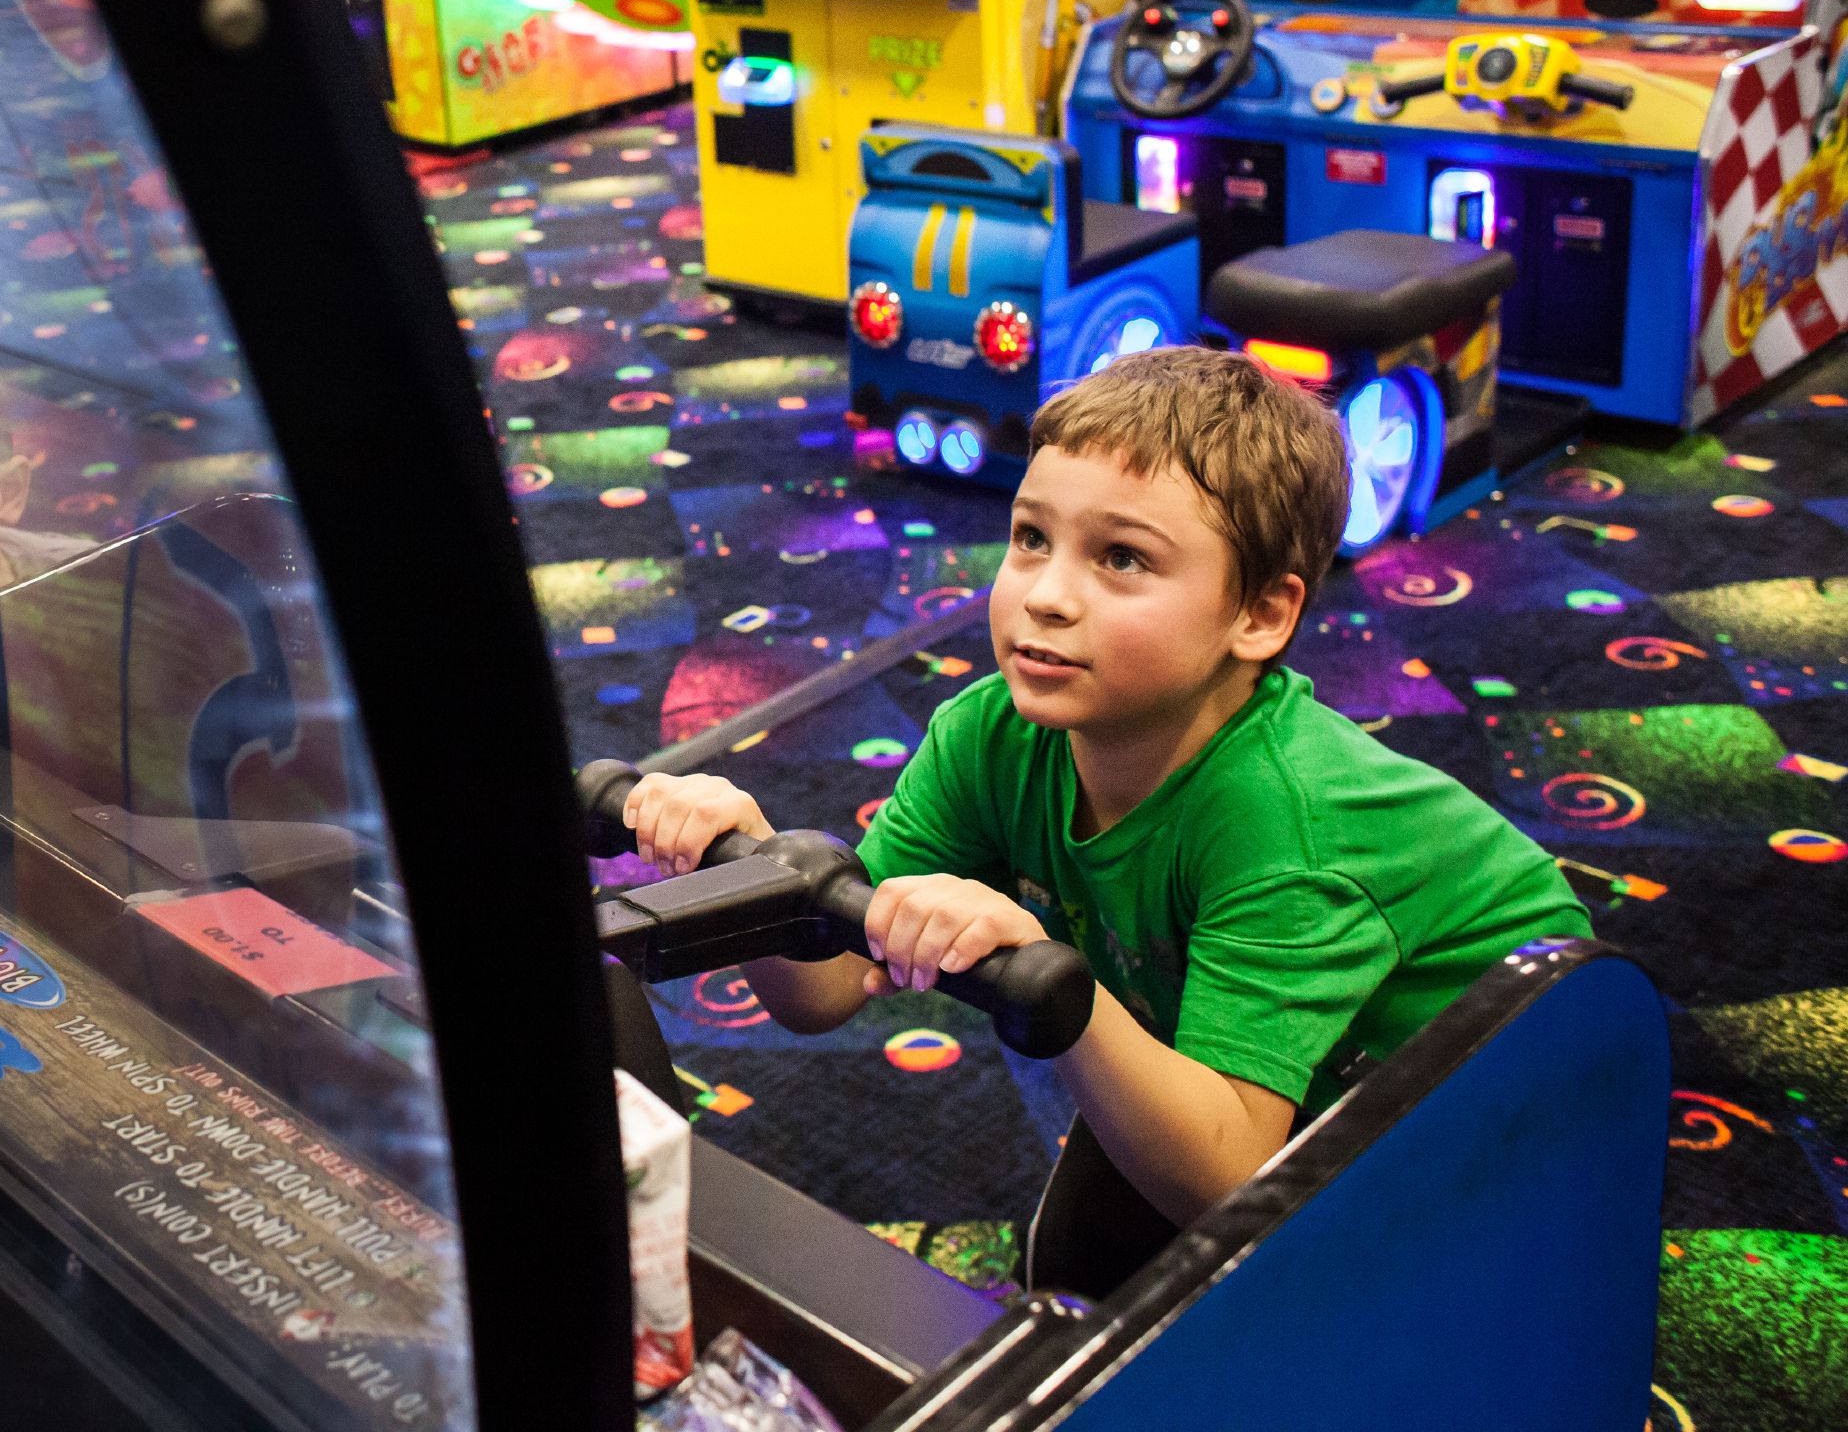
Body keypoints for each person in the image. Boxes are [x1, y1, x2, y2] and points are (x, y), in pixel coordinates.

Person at [620, 346, 1591, 1297]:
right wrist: (743, 864)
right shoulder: (990, 737)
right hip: (1233, 1041)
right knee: (1075, 1280)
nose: (1045, 592)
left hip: (1505, 1093)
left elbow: (1227, 1181)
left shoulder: (1282, 825)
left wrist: (1059, 986)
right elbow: (825, 988)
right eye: (1031, 536)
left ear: (1258, 612)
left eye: (1121, 557)